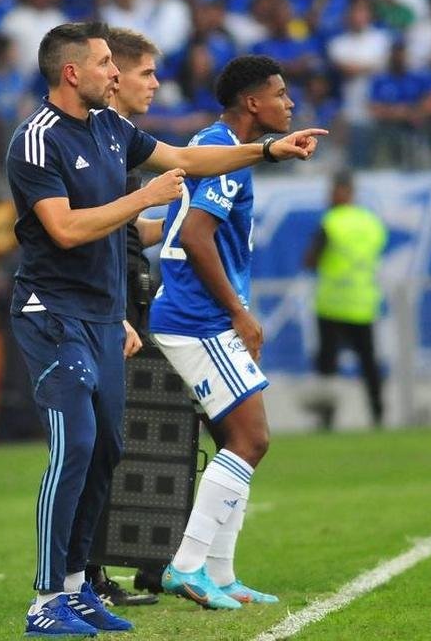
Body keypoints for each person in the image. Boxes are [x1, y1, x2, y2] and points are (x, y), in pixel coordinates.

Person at [6, 24, 323, 637]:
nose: (115, 73)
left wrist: (268, 152)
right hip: (53, 313)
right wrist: (144, 198)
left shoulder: (109, 127)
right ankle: (45, 600)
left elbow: (185, 160)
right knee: (75, 448)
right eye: (105, 63)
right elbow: (65, 230)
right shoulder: (37, 139)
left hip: (104, 315)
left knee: (107, 450)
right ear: (72, 72)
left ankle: (77, 588)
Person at [148, 54, 306, 612]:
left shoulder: (214, 145)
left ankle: (221, 573)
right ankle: (187, 566)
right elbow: (195, 235)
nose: (289, 103)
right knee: (251, 440)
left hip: (193, 312)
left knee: (233, 442)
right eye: (280, 94)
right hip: (199, 317)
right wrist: (239, 313)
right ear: (252, 102)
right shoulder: (226, 156)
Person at [81, 26, 167, 608]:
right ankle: (82, 575)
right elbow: (91, 233)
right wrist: (113, 312)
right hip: (104, 305)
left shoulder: (118, 141)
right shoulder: (101, 140)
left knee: (112, 439)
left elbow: (129, 229)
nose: (154, 84)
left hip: (122, 299)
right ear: (114, 79)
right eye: (145, 73)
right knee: (96, 441)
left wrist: (181, 220)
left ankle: (94, 571)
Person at [303, 171, 389, 429]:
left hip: (332, 305)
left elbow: (310, 260)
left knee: (327, 366)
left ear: (343, 191)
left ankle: (327, 419)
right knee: (369, 363)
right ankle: (378, 415)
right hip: (363, 303)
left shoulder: (331, 222)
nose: (329, 196)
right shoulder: (371, 222)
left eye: (333, 191)